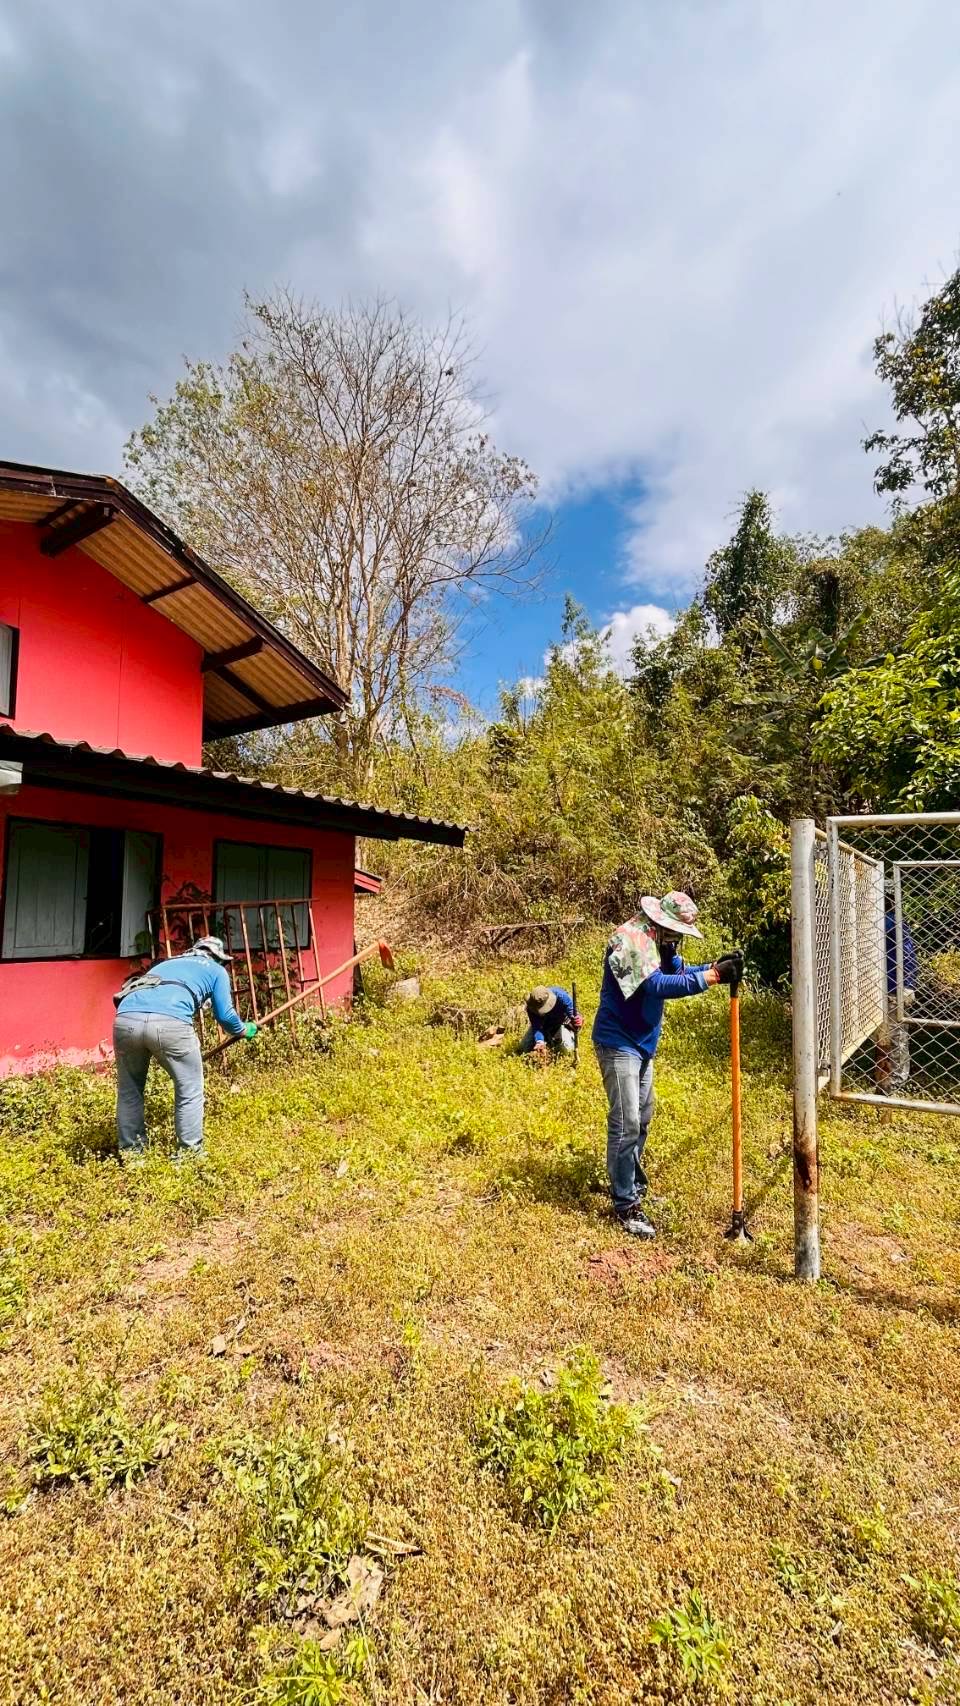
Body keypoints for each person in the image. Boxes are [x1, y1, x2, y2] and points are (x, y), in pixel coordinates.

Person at [592, 891, 741, 1239]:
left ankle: (632, 1185)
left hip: (642, 1043)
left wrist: (715, 966)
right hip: (618, 1042)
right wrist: (714, 977)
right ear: (662, 923)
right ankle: (625, 1204)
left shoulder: (662, 942)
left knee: (643, 1116)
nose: (677, 940)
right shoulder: (629, 939)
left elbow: (677, 972)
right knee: (626, 1121)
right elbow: (656, 986)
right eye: (676, 933)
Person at [113, 935, 257, 1163]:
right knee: (189, 1088)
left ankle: (132, 1155)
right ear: (217, 957)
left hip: (126, 1019)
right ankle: (189, 1154)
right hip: (170, 1022)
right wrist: (243, 1029)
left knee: (129, 1089)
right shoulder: (216, 970)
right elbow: (225, 1015)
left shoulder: (167, 963)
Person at [877, 901, 918, 1094]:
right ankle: (889, 1080)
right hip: (883, 986)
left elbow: (908, 954)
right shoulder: (886, 921)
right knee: (889, 1037)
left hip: (893, 988)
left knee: (895, 1036)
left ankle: (896, 1082)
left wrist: (907, 985)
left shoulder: (890, 922)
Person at [519, 985, 583, 1059]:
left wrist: (577, 1019)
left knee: (566, 1050)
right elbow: (537, 1026)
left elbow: (572, 1013)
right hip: (544, 1026)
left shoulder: (561, 997)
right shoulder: (531, 1006)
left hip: (561, 1023)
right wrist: (539, 1041)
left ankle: (568, 1038)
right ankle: (547, 1038)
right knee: (525, 1047)